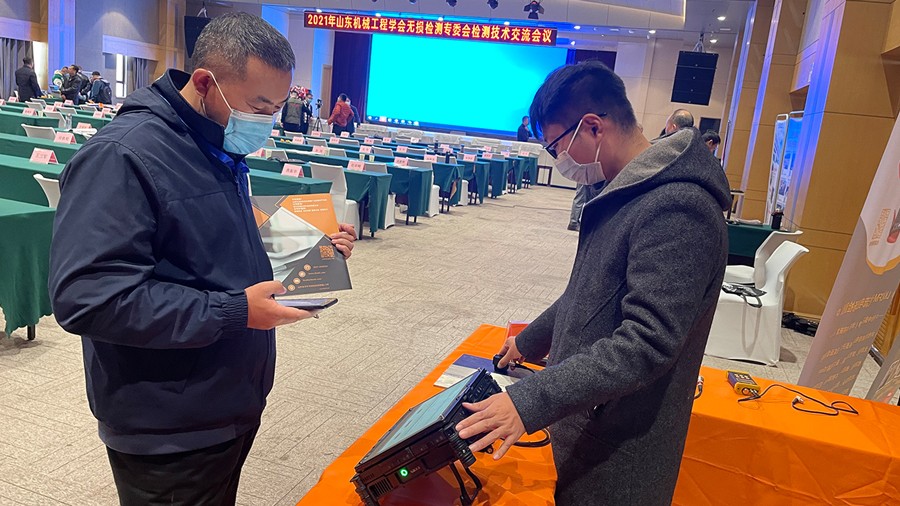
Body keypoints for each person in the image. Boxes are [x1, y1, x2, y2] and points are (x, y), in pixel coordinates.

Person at [48, 13, 357, 505]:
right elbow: (88, 297)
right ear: (205, 83)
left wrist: (313, 244)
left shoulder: (211, 141)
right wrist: (235, 311)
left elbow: (205, 237)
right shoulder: (123, 156)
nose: (266, 122)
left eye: (278, 107)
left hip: (226, 401)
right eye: (258, 106)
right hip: (167, 424)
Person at [455, 62, 730, 505]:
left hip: (620, 450)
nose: (558, 161)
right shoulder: (626, 189)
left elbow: (647, 342)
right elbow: (590, 289)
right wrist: (529, 340)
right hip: (588, 420)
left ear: (593, 127)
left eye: (556, 147)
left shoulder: (678, 206)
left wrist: (529, 401)